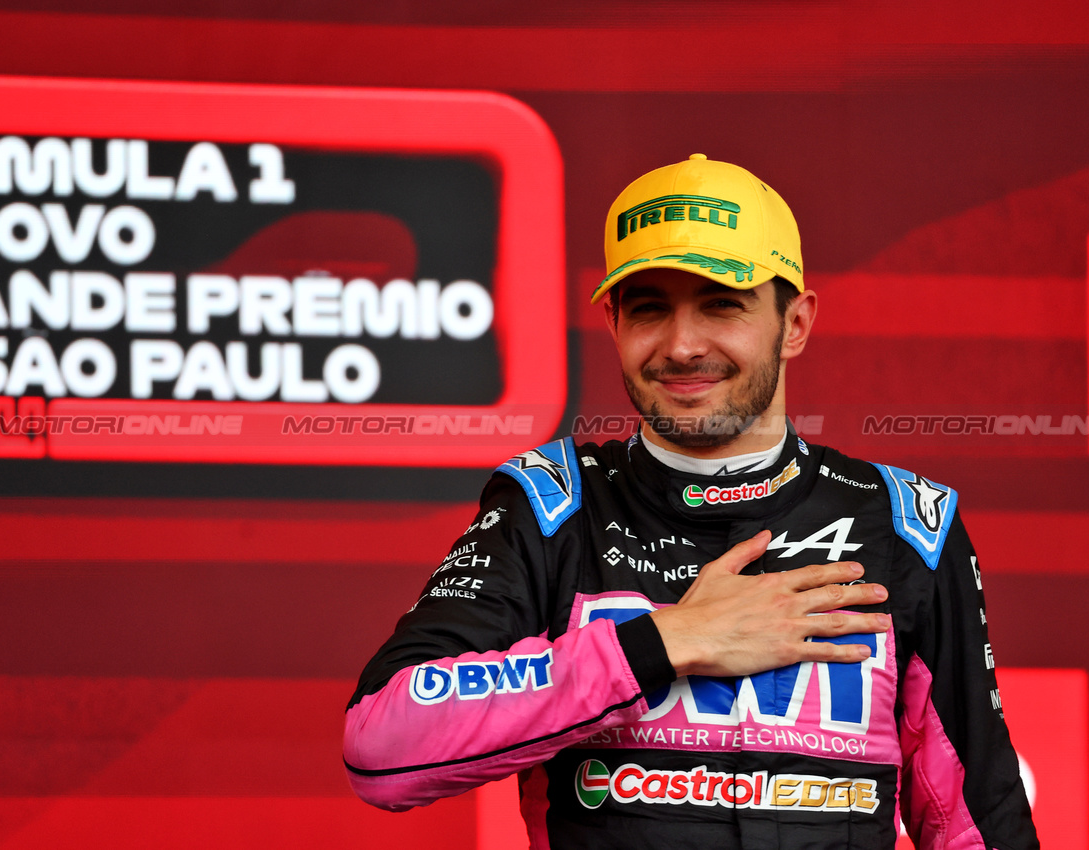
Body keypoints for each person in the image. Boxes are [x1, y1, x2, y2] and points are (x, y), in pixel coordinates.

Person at [344, 154, 1038, 849]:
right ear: (614, 322)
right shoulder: (551, 501)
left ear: (793, 323)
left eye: (720, 304)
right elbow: (382, 743)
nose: (680, 344)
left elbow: (978, 821)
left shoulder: (904, 522)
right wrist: (665, 642)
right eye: (649, 308)